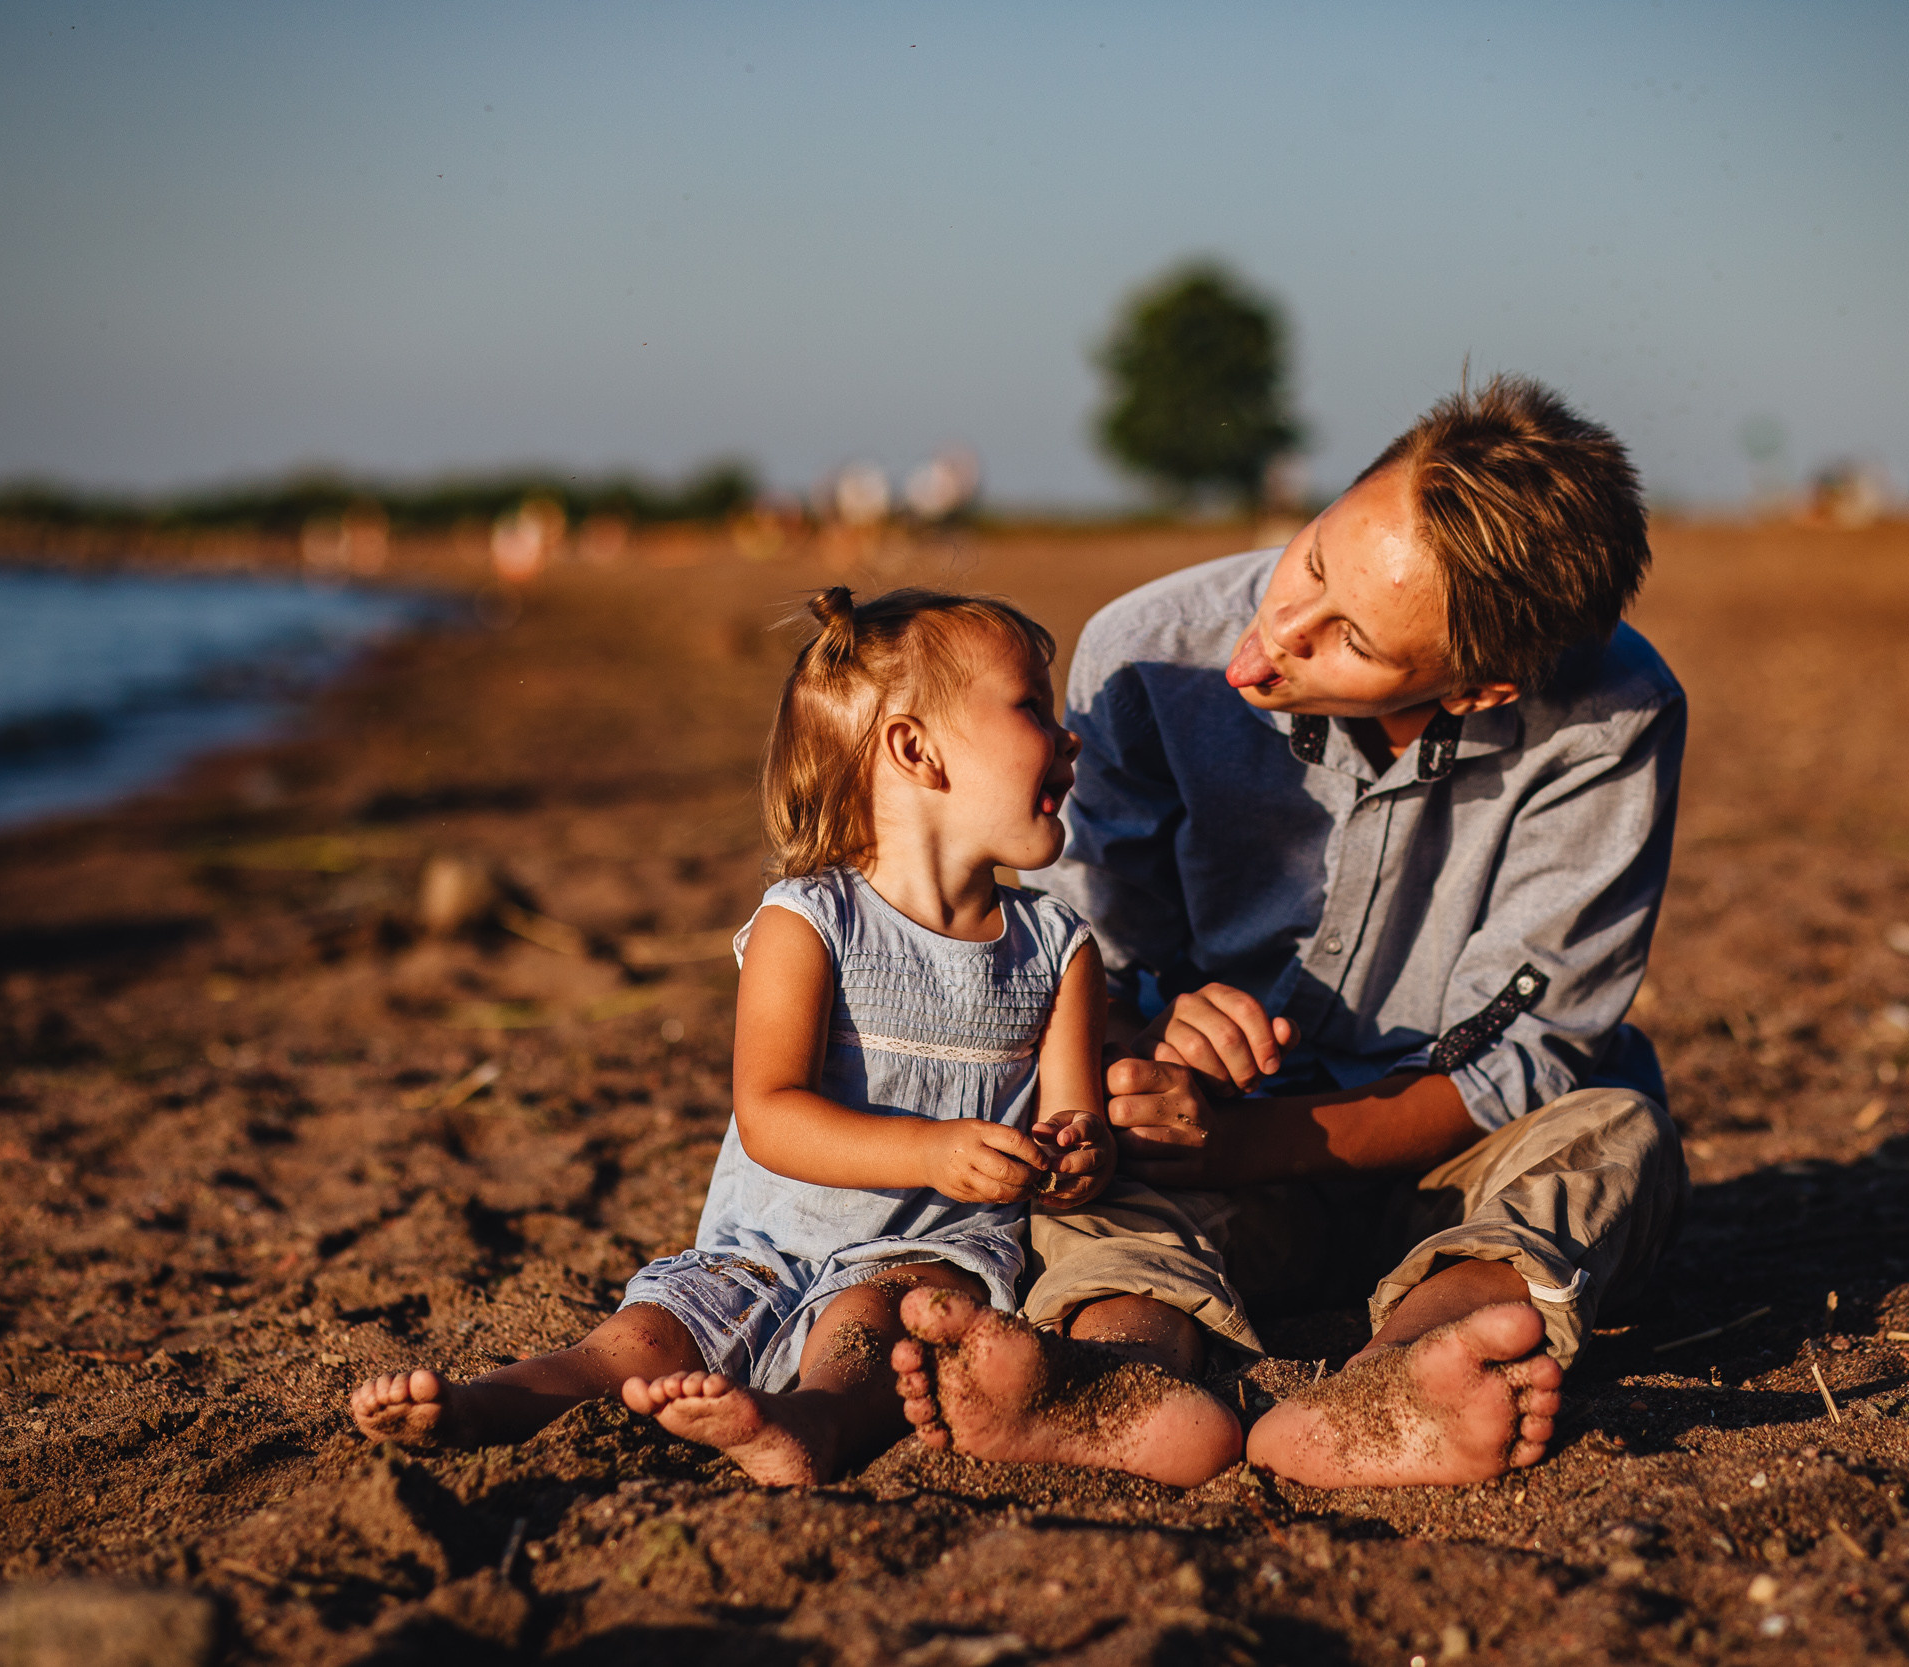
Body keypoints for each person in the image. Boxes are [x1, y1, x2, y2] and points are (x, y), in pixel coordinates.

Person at [891, 375, 1688, 1489]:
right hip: (1193, 1148)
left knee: (1614, 1129)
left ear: (1480, 687)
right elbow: (1063, 962)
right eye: (1311, 561)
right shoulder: (1145, 660)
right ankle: (1113, 1370)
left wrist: (1246, 1142)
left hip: (1440, 1153)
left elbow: (1530, 1055)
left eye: (1348, 637)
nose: (1264, 648)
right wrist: (1148, 1038)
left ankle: (1409, 1372)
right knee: (1086, 1173)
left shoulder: (1612, 721)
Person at [349, 587, 1182, 1485]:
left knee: (870, 1328)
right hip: (762, 1247)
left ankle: (808, 1425)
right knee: (642, 1335)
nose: (1068, 738)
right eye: (1033, 706)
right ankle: (491, 1402)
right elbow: (770, 1114)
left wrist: (1071, 1155)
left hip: (927, 1254)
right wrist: (934, 1148)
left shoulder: (1058, 949)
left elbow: (1074, 1121)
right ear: (915, 748)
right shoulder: (810, 920)